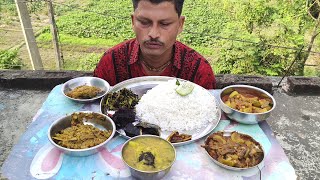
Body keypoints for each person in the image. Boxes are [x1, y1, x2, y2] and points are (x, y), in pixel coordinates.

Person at [94, 0, 216, 89]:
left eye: (165, 24)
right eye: (144, 22)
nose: (153, 34)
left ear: (180, 24)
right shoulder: (111, 62)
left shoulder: (198, 71)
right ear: (133, 21)